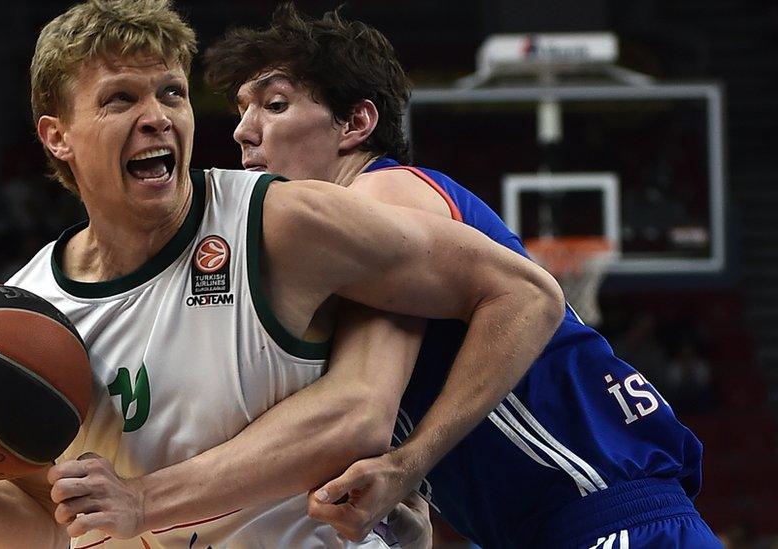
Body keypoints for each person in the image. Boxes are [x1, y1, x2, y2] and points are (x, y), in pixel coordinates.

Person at [0, 1, 563, 547]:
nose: (157, 119)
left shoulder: (278, 222)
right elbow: (61, 534)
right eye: (121, 100)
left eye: (171, 94)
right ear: (58, 135)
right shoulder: (26, 313)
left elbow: (524, 292)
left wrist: (409, 461)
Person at [201, 5, 722, 548]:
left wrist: (407, 465)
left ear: (356, 123)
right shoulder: (358, 241)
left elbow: (526, 304)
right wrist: (417, 497)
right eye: (241, 110)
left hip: (607, 513)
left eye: (275, 105)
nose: (243, 132)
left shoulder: (383, 192)